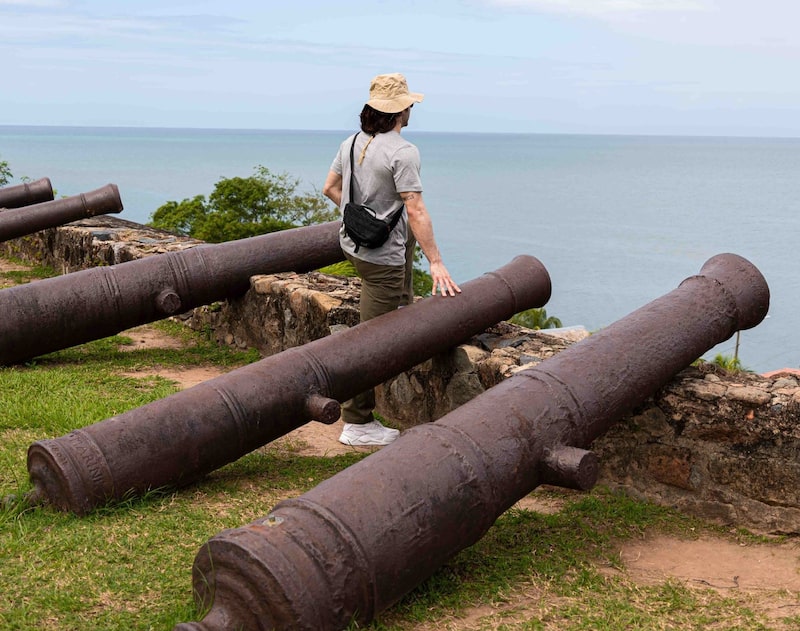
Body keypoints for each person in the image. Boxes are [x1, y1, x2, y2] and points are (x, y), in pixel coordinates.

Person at [323, 72, 461, 447]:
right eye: (409, 104)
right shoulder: (403, 151)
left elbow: (330, 188)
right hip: (382, 258)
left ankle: (401, 319)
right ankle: (356, 422)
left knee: (396, 308)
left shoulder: (351, 142)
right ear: (402, 110)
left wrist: (361, 221)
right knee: (369, 341)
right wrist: (436, 261)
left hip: (354, 245)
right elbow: (415, 210)